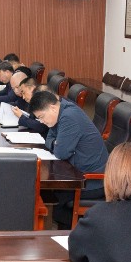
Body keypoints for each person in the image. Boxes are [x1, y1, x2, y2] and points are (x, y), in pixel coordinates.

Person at [30, 90, 109, 226]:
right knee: (45, 195)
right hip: (76, 173)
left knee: (53, 206)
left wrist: (57, 144)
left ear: (52, 108)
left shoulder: (69, 117)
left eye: (42, 117)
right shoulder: (60, 113)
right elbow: (49, 140)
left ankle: (88, 229)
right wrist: (56, 143)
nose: (42, 121)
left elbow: (61, 153)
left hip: (92, 181)